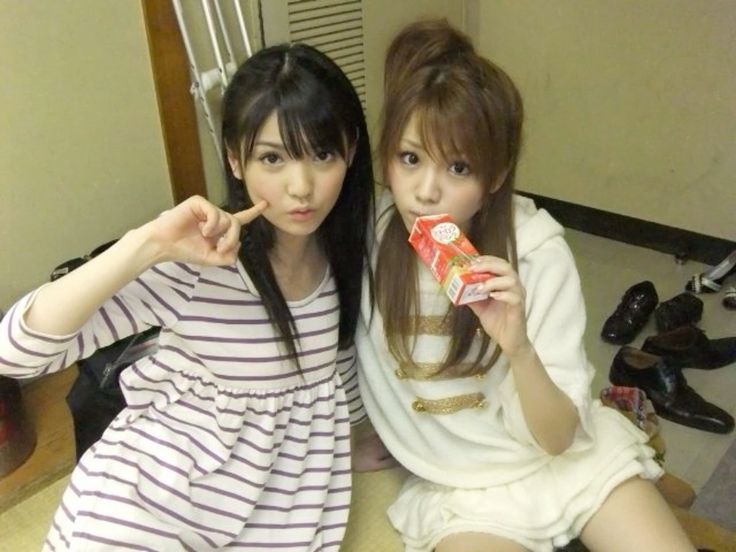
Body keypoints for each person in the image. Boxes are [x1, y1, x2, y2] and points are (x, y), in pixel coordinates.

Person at [0, 42, 374, 551]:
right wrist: (147, 244)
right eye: (272, 158)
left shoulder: (347, 256)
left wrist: (350, 442)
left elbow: (333, 364)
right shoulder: (200, 264)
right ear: (235, 160)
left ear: (351, 150)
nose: (301, 187)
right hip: (151, 498)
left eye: (322, 154)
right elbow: (15, 354)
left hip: (274, 511)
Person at [353, 19, 695, 552]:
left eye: (458, 167)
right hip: (463, 491)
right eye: (409, 158)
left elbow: (558, 439)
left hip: (568, 460)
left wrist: (518, 348)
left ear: (494, 176)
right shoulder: (369, 241)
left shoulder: (536, 252)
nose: (425, 191)